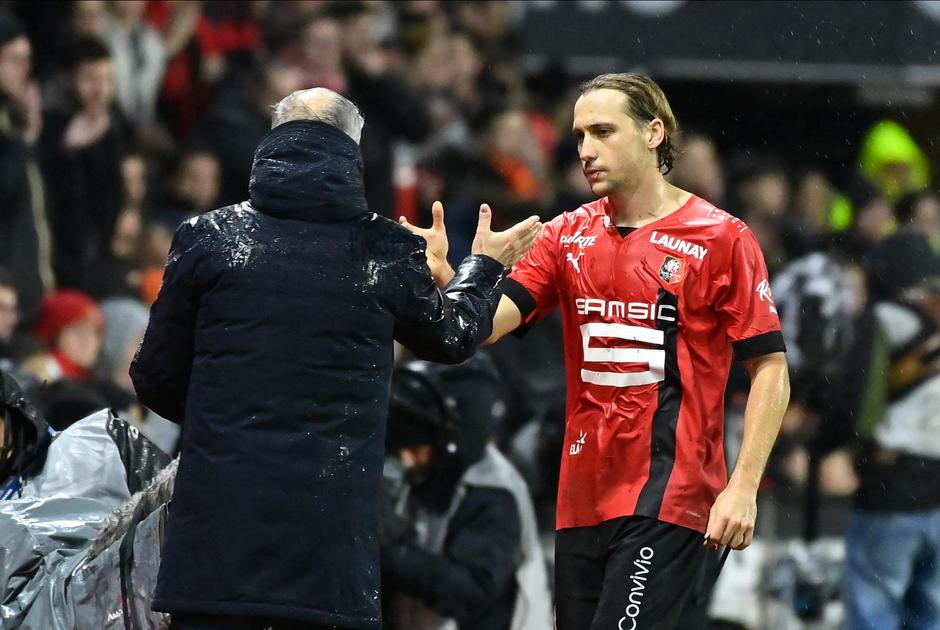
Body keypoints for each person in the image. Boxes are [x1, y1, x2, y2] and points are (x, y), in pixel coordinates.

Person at [130, 87, 541, 630]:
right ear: (353, 149)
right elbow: (455, 337)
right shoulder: (387, 251)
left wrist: (228, 416)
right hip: (327, 556)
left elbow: (154, 378)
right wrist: (483, 266)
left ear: (272, 141)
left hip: (215, 550)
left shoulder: (209, 238)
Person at [407, 73, 790, 629]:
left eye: (603, 132)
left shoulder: (721, 238)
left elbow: (771, 369)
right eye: (580, 135)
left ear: (653, 132)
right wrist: (460, 277)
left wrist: (745, 486)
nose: (585, 150)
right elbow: (480, 328)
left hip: (671, 497)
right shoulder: (565, 236)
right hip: (581, 496)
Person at [381, 357, 553, 630]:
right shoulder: (423, 477)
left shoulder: (493, 493)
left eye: (417, 447)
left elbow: (468, 593)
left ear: (449, 440)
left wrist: (395, 552)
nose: (407, 459)